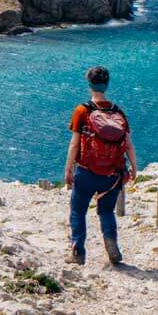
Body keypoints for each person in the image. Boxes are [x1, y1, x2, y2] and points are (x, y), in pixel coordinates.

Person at [62, 65, 137, 266]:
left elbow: (74, 143)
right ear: (107, 84)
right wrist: (134, 167)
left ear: (89, 83)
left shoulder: (82, 110)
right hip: (112, 174)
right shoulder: (118, 111)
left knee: (78, 211)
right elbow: (128, 143)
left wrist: (68, 168)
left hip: (86, 171)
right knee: (106, 211)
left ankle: (78, 253)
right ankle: (112, 246)